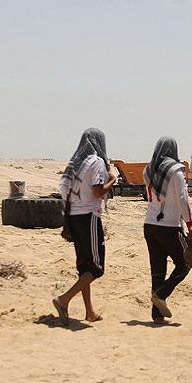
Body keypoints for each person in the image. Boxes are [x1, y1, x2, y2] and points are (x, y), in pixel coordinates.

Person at [53, 128, 116, 326]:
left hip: (73, 216)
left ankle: (89, 312)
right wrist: (113, 178)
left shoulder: (75, 164)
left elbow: (63, 191)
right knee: (96, 268)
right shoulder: (97, 162)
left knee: (84, 266)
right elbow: (97, 192)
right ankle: (64, 299)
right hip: (88, 216)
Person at [142, 136, 192, 324]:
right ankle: (162, 294)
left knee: (157, 270)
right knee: (186, 263)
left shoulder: (148, 170)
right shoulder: (177, 170)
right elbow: (183, 199)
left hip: (150, 226)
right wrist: (190, 225)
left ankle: (157, 316)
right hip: (170, 227)